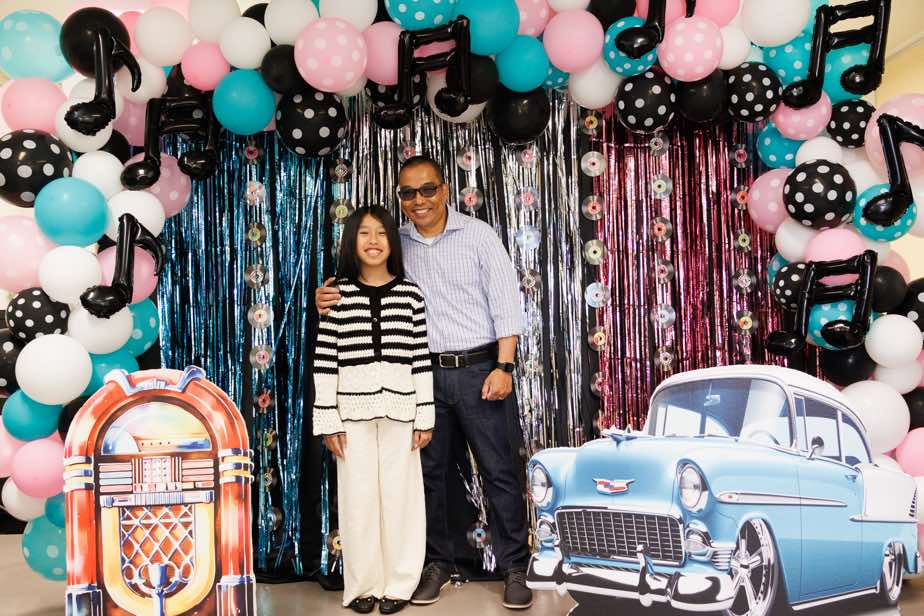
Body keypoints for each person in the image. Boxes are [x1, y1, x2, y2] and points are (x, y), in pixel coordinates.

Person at [316, 156, 532, 610]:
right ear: (401, 198)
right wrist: (327, 296)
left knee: (498, 471)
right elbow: (367, 284)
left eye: (427, 189)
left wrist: (505, 366)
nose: (419, 200)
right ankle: (437, 564)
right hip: (422, 374)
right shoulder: (398, 243)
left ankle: (515, 566)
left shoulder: (478, 235)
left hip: (479, 369)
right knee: (428, 477)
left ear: (445, 190)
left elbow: (506, 303)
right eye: (408, 193)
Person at [312, 205, 434, 615]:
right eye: (364, 233)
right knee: (357, 499)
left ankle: (400, 583)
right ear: (352, 241)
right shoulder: (337, 295)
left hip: (401, 412)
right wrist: (328, 418)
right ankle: (362, 584)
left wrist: (424, 415)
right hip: (351, 415)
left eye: (381, 233)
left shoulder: (410, 295)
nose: (373, 241)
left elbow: (420, 358)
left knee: (402, 500)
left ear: (392, 241)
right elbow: (325, 361)